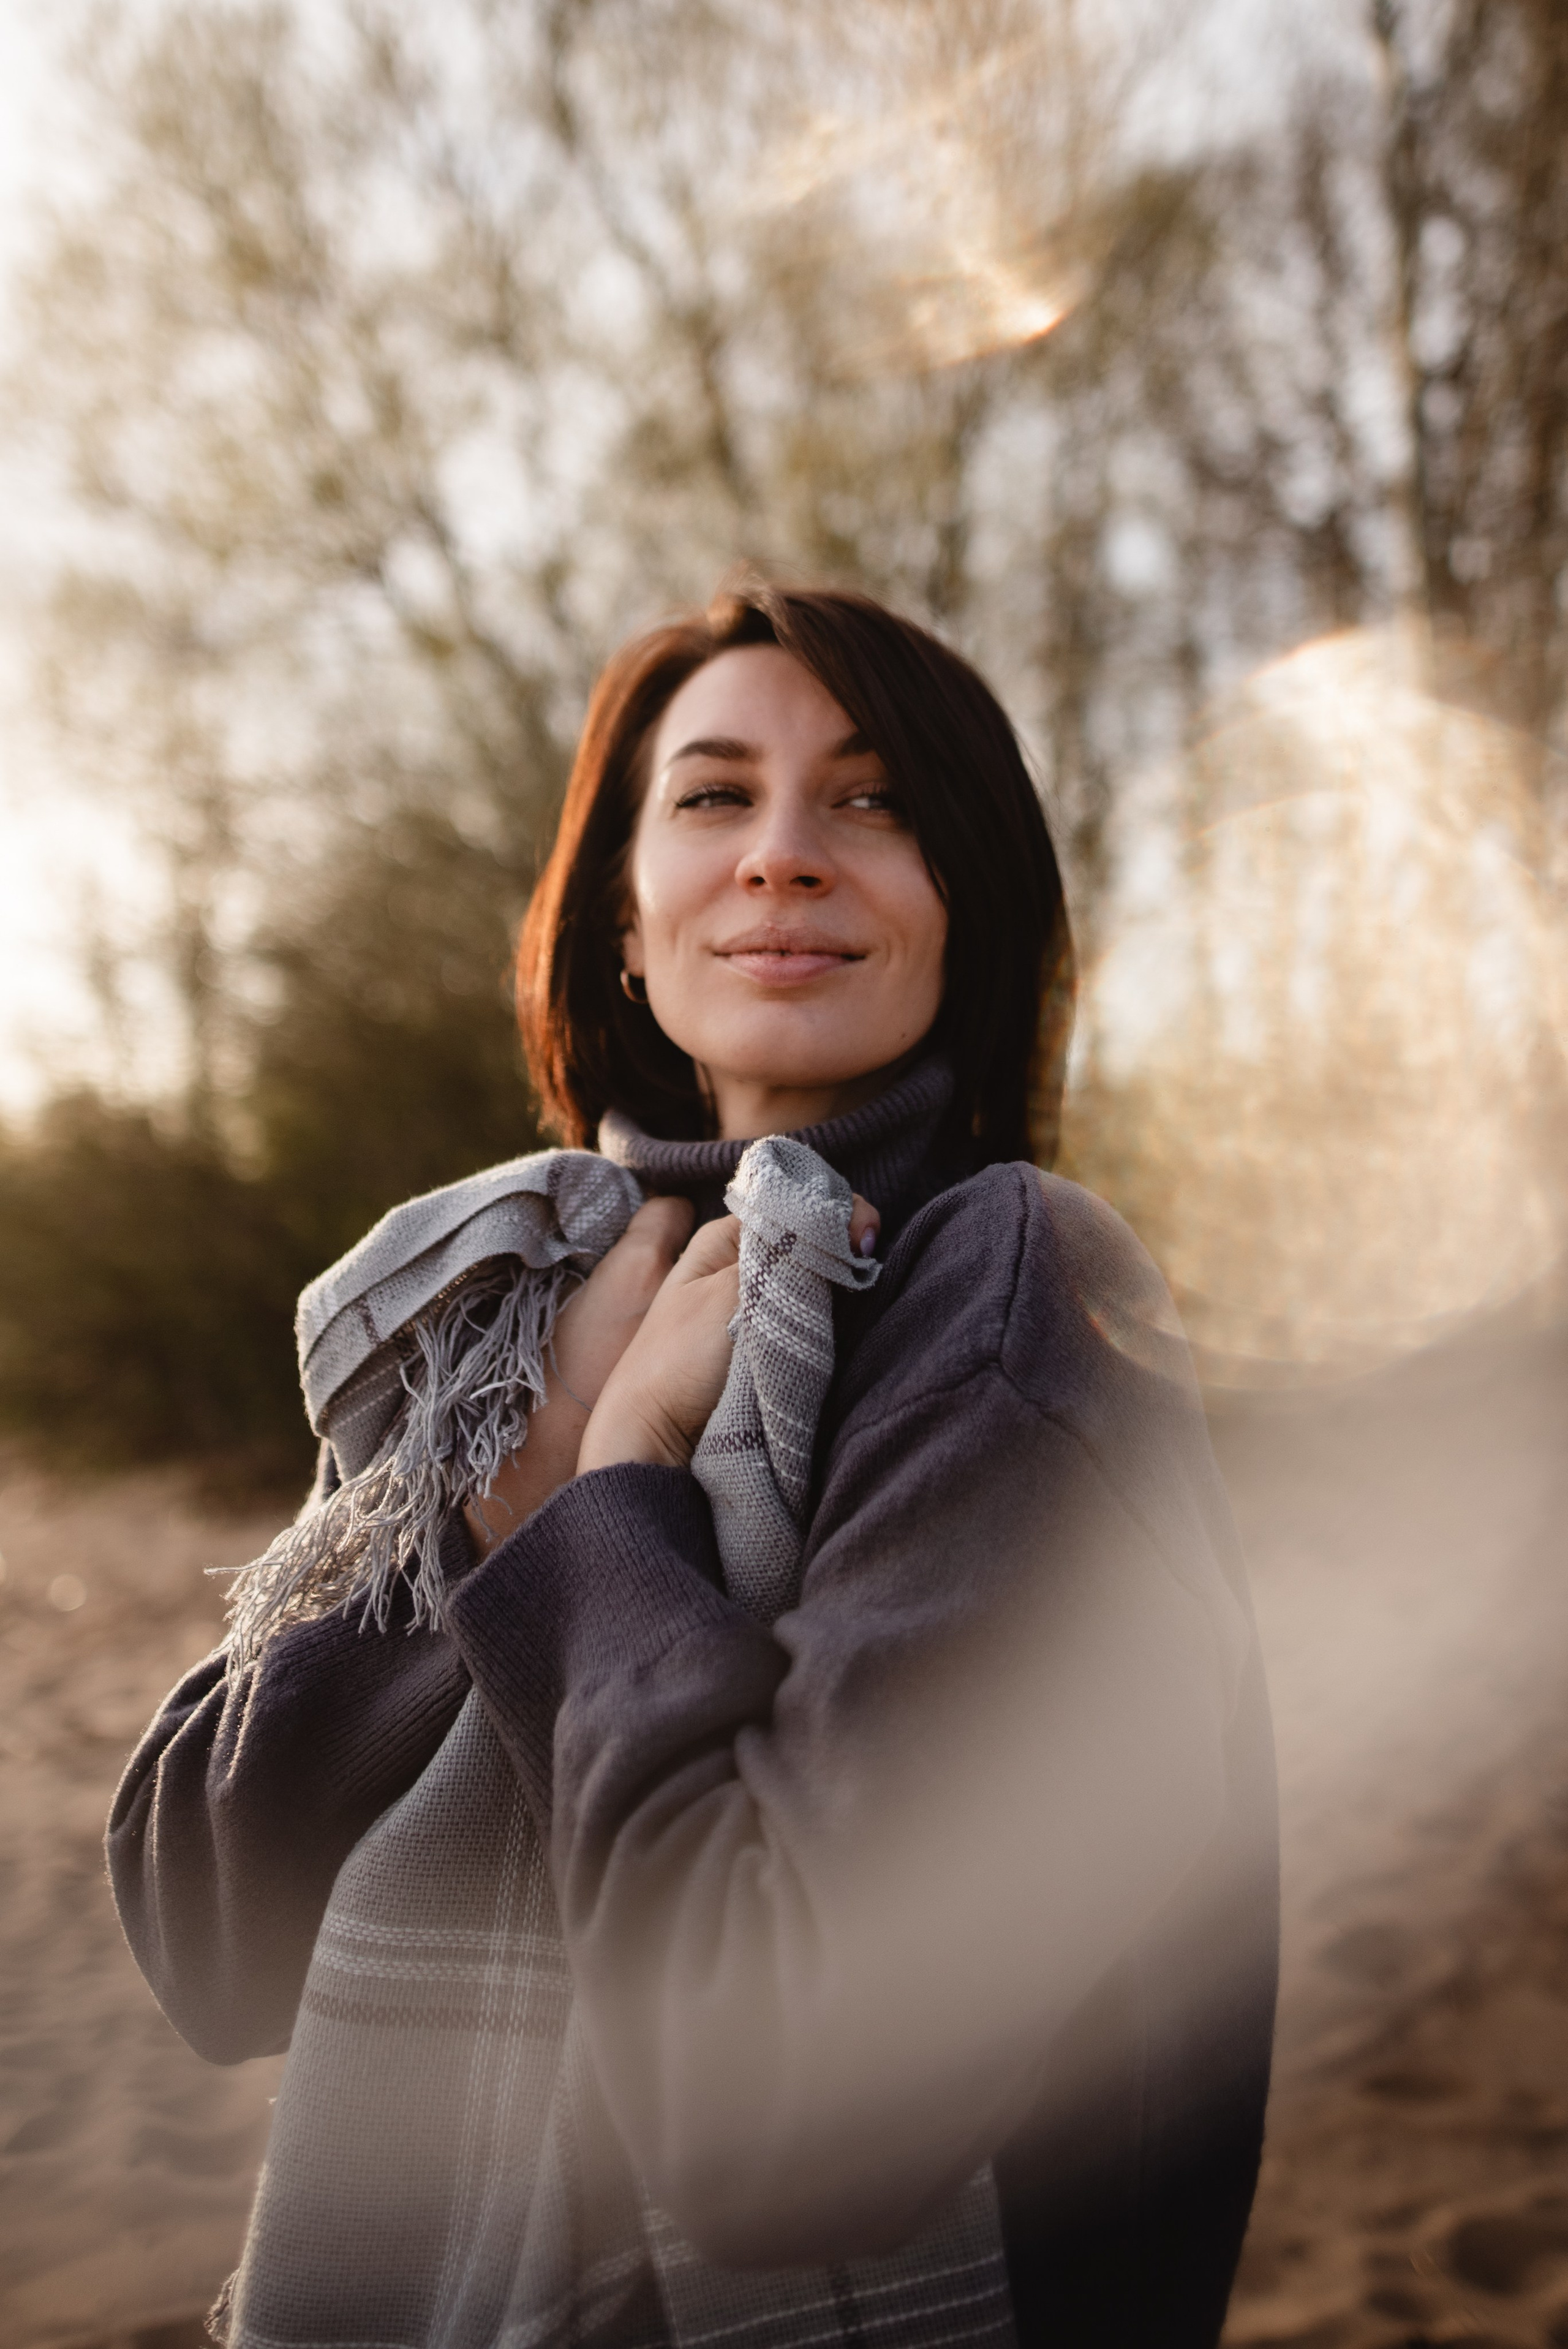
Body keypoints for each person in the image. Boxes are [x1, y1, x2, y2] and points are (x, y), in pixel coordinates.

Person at [109, 581, 1278, 2347]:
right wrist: (503, 1484)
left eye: (873, 801)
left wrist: (605, 1508)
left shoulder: (1019, 1282)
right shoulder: (513, 1311)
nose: (787, 853)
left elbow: (790, 2103)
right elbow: (204, 1930)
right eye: (716, 794)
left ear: (967, 905)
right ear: (627, 929)